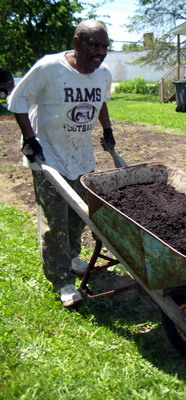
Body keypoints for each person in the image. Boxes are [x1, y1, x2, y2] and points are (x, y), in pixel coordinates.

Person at [8, 20, 116, 307]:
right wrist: (29, 139)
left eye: (105, 46)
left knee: (78, 215)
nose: (101, 53)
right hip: (48, 154)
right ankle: (62, 281)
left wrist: (106, 130)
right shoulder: (49, 68)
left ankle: (71, 257)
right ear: (77, 43)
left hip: (80, 155)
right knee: (54, 221)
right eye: (94, 45)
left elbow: (101, 101)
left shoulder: (102, 73)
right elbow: (17, 101)